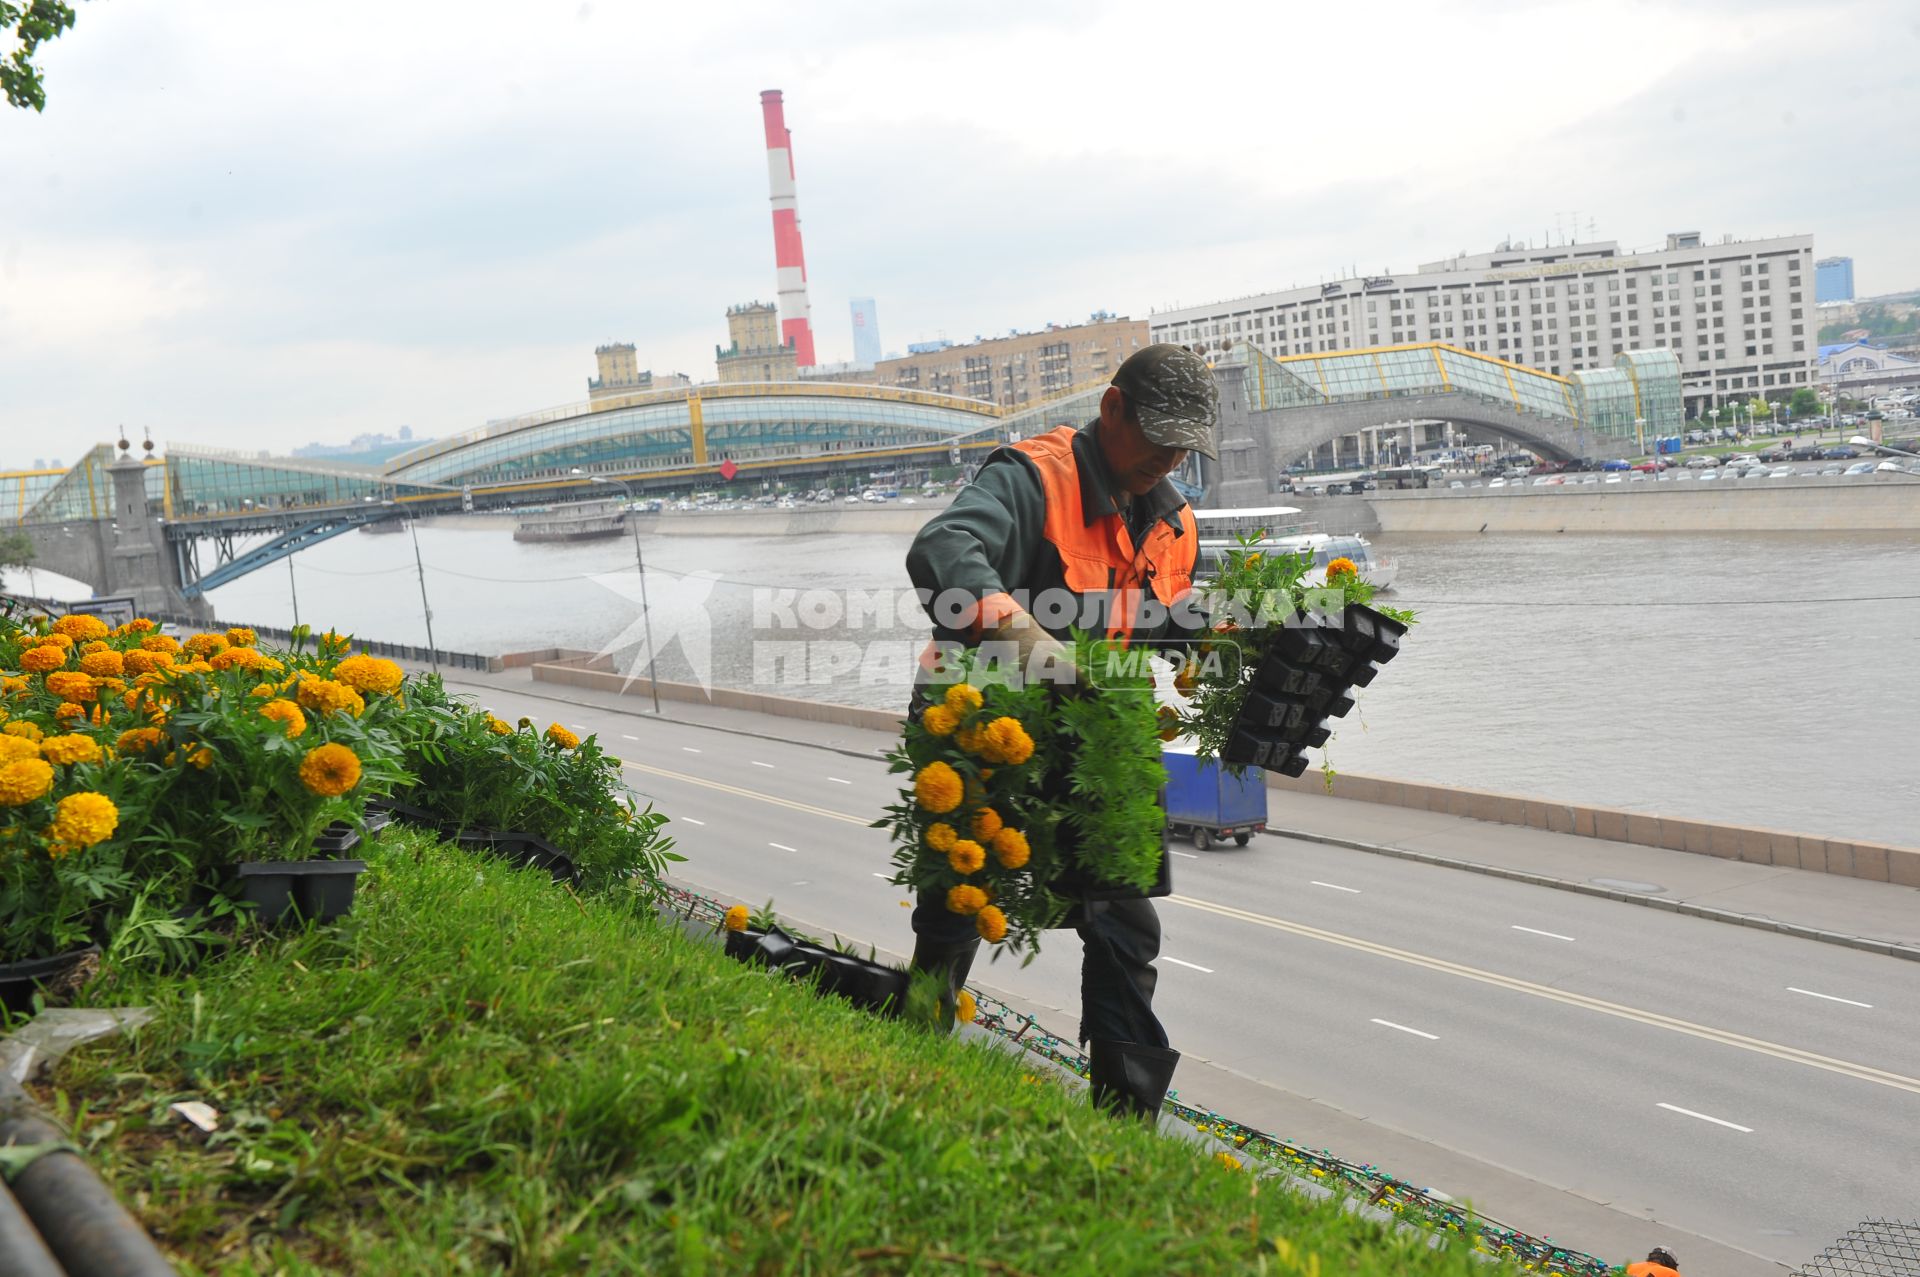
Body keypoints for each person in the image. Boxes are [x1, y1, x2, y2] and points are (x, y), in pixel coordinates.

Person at [902, 343, 1218, 1120]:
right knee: (957, 908)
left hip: (1097, 736)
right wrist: (1028, 642)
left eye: (1183, 445)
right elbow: (942, 550)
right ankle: (908, 1044)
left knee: (1124, 925)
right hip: (986, 719)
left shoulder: (1177, 523)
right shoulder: (1035, 478)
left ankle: (1126, 1116)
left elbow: (1152, 625)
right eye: (1157, 437)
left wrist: (1205, 644)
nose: (1169, 458)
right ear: (1112, 409)